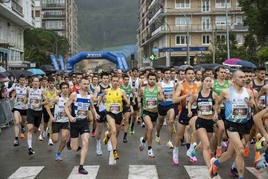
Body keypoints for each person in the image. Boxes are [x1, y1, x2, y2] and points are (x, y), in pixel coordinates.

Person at [209, 70, 255, 179]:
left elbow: (256, 108)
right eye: (240, 77)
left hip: (246, 124)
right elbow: (217, 103)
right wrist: (216, 112)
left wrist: (253, 106)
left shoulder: (249, 92)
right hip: (232, 124)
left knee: (230, 153)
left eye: (244, 77)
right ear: (233, 79)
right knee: (240, 150)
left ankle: (215, 163)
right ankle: (241, 177)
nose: (244, 79)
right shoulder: (226, 92)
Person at [64, 77, 99, 175]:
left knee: (86, 142)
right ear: (79, 85)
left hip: (84, 122)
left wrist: (95, 113)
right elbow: (66, 107)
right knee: (74, 148)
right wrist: (70, 116)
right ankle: (70, 141)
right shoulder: (74, 95)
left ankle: (81, 167)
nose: (86, 85)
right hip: (74, 122)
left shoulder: (90, 96)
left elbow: (91, 107)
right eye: (84, 84)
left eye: (87, 83)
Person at [188, 74, 218, 171]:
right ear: (203, 82)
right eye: (207, 81)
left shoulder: (214, 95)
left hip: (210, 122)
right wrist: (189, 111)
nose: (209, 83)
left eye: (210, 81)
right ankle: (210, 168)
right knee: (207, 145)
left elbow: (216, 106)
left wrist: (216, 113)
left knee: (204, 144)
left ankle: (194, 149)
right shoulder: (197, 95)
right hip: (200, 121)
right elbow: (189, 102)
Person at [98, 75, 130, 160]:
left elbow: (127, 102)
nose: (115, 83)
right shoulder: (106, 91)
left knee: (116, 132)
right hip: (109, 113)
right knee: (114, 130)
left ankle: (108, 136)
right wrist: (98, 104)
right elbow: (101, 96)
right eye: (114, 81)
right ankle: (114, 151)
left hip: (119, 113)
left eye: (117, 81)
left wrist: (126, 102)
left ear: (119, 82)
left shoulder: (122, 91)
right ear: (111, 82)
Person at [172, 67, 198, 165]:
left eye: (193, 73)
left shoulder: (197, 85)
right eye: (189, 74)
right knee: (179, 135)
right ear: (185, 75)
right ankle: (175, 151)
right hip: (184, 112)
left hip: (194, 112)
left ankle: (191, 150)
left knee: (196, 129)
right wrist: (186, 95)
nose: (191, 75)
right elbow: (174, 100)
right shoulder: (181, 86)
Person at [138, 72, 165, 158]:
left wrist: (161, 96)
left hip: (154, 112)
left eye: (154, 79)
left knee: (149, 130)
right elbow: (139, 96)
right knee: (150, 128)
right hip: (146, 112)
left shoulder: (159, 89)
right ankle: (149, 149)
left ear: (155, 80)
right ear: (147, 80)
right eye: (150, 79)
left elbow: (164, 101)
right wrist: (139, 102)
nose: (152, 81)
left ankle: (143, 141)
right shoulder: (143, 89)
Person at [46, 82, 70, 161]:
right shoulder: (57, 98)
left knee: (64, 138)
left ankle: (58, 154)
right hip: (56, 121)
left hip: (65, 122)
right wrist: (51, 116)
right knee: (55, 140)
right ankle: (49, 131)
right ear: (61, 89)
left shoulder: (70, 99)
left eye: (66, 88)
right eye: (63, 88)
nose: (65, 90)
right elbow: (47, 106)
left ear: (68, 89)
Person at [24, 77, 47, 155]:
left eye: (37, 81)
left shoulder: (42, 90)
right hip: (30, 111)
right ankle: (30, 147)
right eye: (34, 81)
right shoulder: (28, 89)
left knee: (35, 130)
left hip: (39, 112)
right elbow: (26, 96)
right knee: (29, 128)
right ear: (32, 82)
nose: (36, 83)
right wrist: (24, 103)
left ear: (39, 83)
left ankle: (37, 129)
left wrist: (39, 104)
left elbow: (46, 101)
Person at [212, 66, 230, 158]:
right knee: (221, 128)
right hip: (216, 111)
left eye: (224, 72)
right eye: (221, 72)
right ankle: (218, 147)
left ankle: (213, 151)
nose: (223, 74)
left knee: (223, 136)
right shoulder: (213, 83)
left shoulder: (229, 83)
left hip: (226, 111)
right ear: (217, 73)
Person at [155, 68, 176, 149]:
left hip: (170, 105)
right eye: (166, 73)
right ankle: (157, 134)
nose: (168, 75)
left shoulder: (173, 83)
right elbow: (156, 95)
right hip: (162, 106)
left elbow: (174, 93)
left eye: (169, 73)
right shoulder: (159, 84)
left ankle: (170, 141)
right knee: (160, 123)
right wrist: (160, 95)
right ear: (163, 74)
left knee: (171, 121)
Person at [95, 72, 110, 156]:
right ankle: (98, 144)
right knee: (100, 131)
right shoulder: (98, 88)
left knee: (110, 128)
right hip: (100, 110)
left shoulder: (110, 87)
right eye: (104, 78)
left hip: (109, 111)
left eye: (107, 78)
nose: (105, 80)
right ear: (101, 79)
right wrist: (101, 97)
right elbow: (93, 98)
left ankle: (109, 142)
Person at [11, 75, 27, 146]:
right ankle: (16, 139)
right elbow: (13, 95)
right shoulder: (16, 88)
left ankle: (23, 127)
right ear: (19, 80)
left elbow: (28, 97)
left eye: (23, 80)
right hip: (16, 108)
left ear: (25, 81)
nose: (22, 81)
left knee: (23, 122)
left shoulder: (27, 88)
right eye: (21, 80)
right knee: (17, 122)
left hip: (24, 108)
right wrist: (12, 98)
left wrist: (25, 103)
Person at [120, 74, 136, 143]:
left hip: (127, 105)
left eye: (128, 80)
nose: (126, 81)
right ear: (123, 80)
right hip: (120, 105)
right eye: (125, 80)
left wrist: (133, 100)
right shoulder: (119, 87)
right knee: (118, 122)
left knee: (127, 120)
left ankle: (125, 136)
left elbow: (134, 94)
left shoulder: (131, 88)